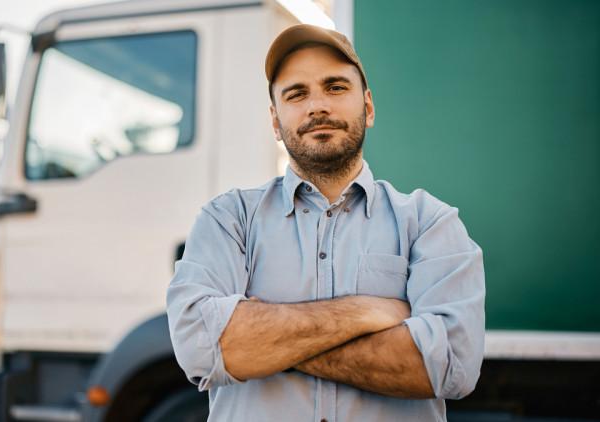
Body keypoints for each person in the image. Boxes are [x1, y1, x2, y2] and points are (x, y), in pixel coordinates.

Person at [166, 23, 485, 422]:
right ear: (275, 121)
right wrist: (366, 311)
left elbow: (450, 365)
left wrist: (266, 343)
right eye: (296, 93)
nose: (317, 105)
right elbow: (200, 348)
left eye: (335, 87)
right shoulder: (228, 219)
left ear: (367, 108)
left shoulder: (429, 222)